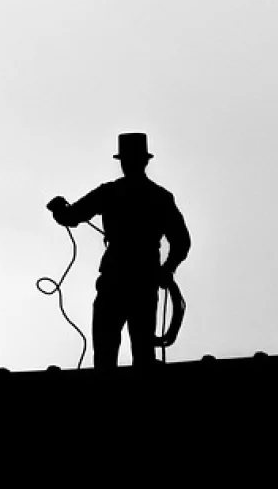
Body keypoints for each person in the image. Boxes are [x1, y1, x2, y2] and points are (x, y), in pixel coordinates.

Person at [47, 133, 191, 369]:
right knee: (141, 350)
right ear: (145, 162)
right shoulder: (159, 197)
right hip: (144, 280)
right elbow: (181, 242)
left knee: (106, 350)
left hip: (117, 279)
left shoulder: (111, 192)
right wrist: (167, 269)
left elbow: (71, 216)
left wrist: (58, 210)